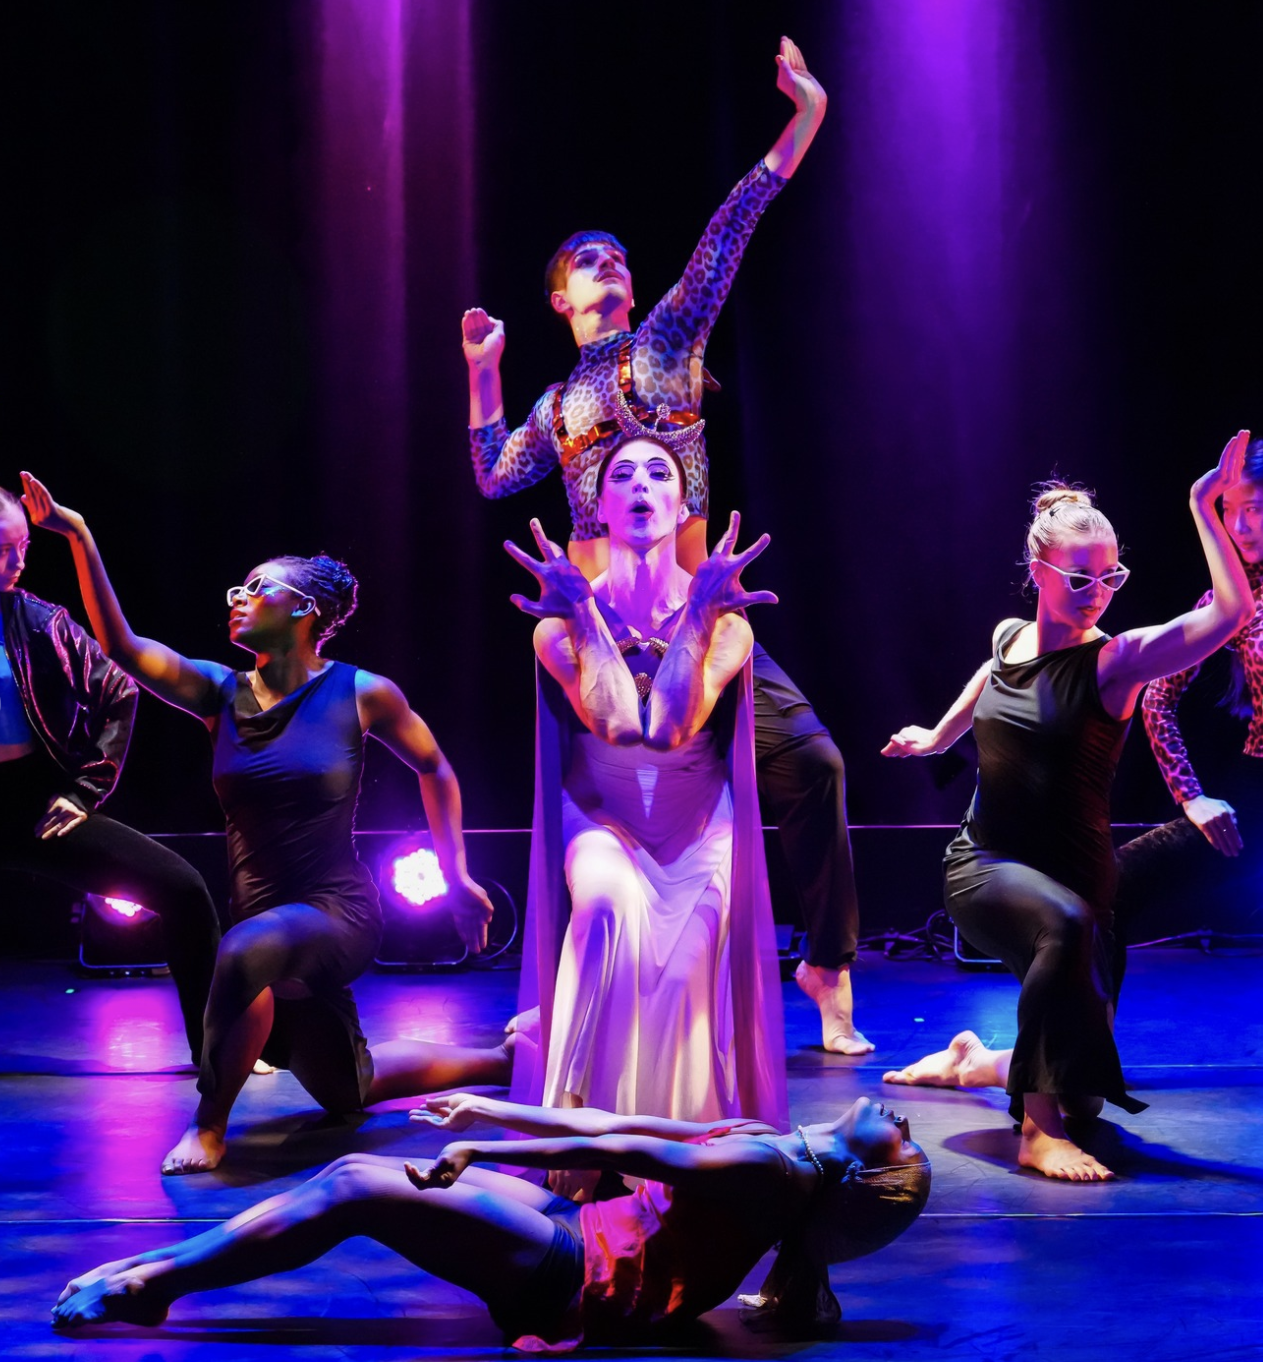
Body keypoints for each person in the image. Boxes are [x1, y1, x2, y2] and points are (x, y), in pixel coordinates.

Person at [466, 39, 870, 1054]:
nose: (609, 267)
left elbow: (734, 222)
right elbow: (493, 476)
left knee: (813, 764)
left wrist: (806, 116)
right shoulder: (556, 406)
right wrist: (484, 371)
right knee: (576, 800)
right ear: (559, 297)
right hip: (596, 630)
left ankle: (825, 963)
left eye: (618, 258)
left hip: (696, 615)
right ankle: (564, 981)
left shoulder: (669, 341)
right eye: (585, 263)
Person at [20, 473, 511, 1175]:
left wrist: (457, 875)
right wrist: (79, 536)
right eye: (237, 590)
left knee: (244, 949)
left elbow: (435, 769)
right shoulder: (219, 692)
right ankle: (499, 1057)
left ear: (305, 610)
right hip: (263, 918)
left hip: (335, 913)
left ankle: (210, 1128)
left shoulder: (362, 693)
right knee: (348, 1091)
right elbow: (124, 649)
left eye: (257, 587)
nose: (239, 599)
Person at [878, 433, 1256, 1181]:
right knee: (1064, 924)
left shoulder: (1114, 662)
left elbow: (1228, 615)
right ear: (1037, 570)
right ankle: (1034, 1135)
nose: (1098, 593)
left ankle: (971, 1064)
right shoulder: (1010, 636)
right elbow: (992, 673)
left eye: (1109, 576)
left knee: (1082, 1093)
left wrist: (1200, 508)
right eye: (1079, 579)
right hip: (985, 865)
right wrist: (937, 735)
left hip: (1079, 884)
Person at [52, 1093, 931, 1348]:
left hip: (587, 1284)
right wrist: (484, 1112)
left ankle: (154, 1283)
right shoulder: (769, 1146)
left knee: (360, 1184)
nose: (901, 1124)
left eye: (900, 1147)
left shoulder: (765, 1169)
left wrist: (483, 1152)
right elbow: (606, 1126)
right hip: (591, 1234)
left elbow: (630, 1150)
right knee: (353, 1174)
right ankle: (167, 1267)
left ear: (856, 1176)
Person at [504, 417, 786, 1157]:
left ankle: (686, 1148)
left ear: (683, 507)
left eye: (659, 475)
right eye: (622, 475)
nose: (640, 486)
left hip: (696, 816)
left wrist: (696, 613)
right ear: (598, 508)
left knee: (694, 948)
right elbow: (617, 728)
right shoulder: (556, 623)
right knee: (601, 909)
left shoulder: (725, 621)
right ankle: (584, 1143)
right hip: (603, 812)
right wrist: (585, 616)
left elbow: (667, 730)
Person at [0, 484, 219, 1065]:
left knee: (184, 890)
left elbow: (119, 690)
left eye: (21, 547)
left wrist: (85, 788)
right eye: (3, 549)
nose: (18, 562)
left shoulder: (42, 623)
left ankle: (216, 1052)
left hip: (32, 805)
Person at [1113, 437, 1263, 986]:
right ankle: (1079, 1056)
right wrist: (1191, 796)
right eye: (1231, 512)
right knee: (1109, 891)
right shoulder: (1234, 600)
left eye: (1255, 509)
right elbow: (1157, 692)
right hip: (1256, 799)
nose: (1240, 527)